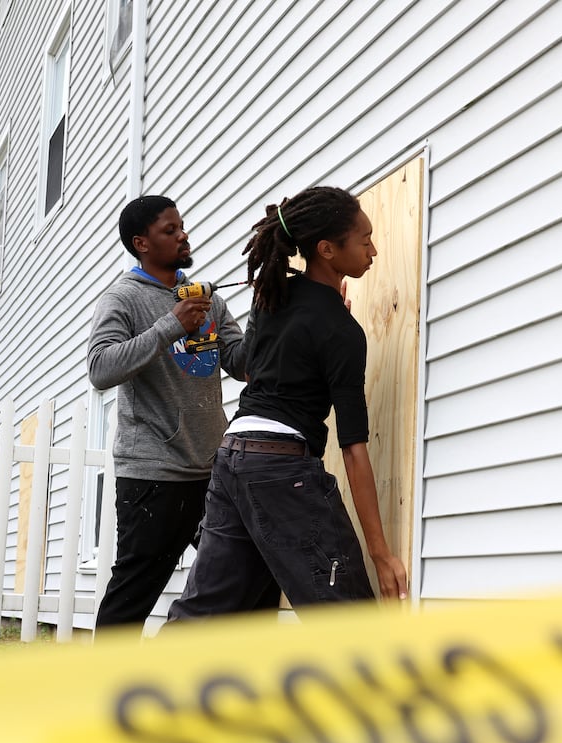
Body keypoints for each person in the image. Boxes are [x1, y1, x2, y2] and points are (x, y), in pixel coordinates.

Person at [167, 186, 408, 622]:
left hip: (233, 457)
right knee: (349, 618)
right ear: (327, 250)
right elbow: (354, 448)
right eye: (365, 239)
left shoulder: (274, 297)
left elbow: (250, 369)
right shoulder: (342, 331)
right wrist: (381, 554)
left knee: (202, 615)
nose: (374, 249)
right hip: (280, 468)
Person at [88, 194, 273, 631]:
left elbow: (243, 363)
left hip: (213, 469)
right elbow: (100, 369)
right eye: (169, 230)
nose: (182, 234)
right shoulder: (124, 298)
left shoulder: (207, 299)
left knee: (253, 572)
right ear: (142, 243)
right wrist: (171, 324)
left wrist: (268, 309)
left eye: (181, 226)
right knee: (135, 590)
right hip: (153, 474)